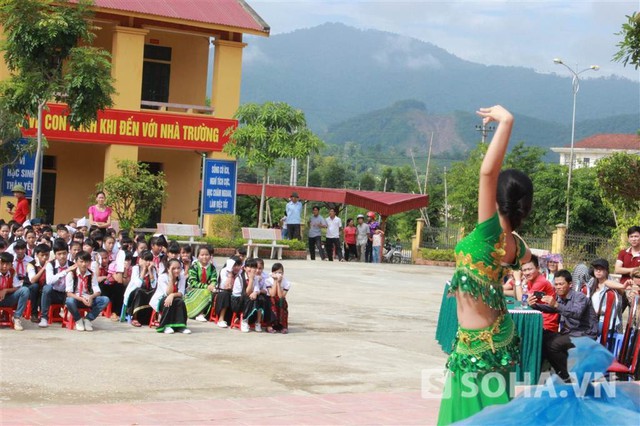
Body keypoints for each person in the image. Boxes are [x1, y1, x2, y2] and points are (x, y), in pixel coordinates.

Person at [437, 106, 533, 425]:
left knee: (468, 417)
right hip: (496, 339)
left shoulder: (489, 231)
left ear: (496, 199)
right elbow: (529, 259)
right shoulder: (515, 244)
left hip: (477, 347)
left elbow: (486, 173)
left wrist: (506, 122)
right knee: (493, 415)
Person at [528, 269, 598, 382]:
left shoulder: (580, 297)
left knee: (553, 345)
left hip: (584, 334)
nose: (558, 287)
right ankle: (559, 372)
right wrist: (534, 305)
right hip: (571, 332)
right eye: (556, 284)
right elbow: (552, 309)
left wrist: (556, 304)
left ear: (570, 284)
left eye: (561, 284)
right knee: (542, 336)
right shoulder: (560, 297)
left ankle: (568, 375)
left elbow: (576, 313)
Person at [65, 251, 110, 332]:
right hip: (77, 299)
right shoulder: (71, 274)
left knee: (105, 299)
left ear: (89, 262)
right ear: (76, 262)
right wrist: (81, 299)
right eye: (81, 261)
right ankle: (78, 320)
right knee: (69, 301)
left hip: (88, 298)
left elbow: (97, 291)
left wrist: (91, 297)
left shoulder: (92, 275)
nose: (83, 264)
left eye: (86, 261)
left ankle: (88, 319)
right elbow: (69, 293)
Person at [514, 255, 559, 333]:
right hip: (536, 319)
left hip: (545, 325)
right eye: (524, 270)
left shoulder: (541, 282)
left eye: (529, 269)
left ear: (538, 268)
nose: (527, 273)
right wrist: (517, 281)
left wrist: (517, 280)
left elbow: (522, 300)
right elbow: (518, 297)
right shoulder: (531, 280)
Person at [40, 240, 76, 328]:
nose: (62, 256)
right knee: (46, 288)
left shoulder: (73, 265)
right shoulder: (50, 265)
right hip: (53, 294)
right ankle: (44, 317)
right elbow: (49, 281)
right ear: (55, 254)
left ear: (68, 253)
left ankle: (76, 318)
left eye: (64, 253)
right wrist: (65, 271)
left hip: (67, 294)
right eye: (59, 254)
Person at [150, 257, 190, 334]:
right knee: (168, 301)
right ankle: (165, 325)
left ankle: (180, 326)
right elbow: (167, 293)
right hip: (161, 299)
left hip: (174, 298)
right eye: (173, 268)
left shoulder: (182, 277)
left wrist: (172, 295)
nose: (177, 270)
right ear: (168, 269)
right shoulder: (163, 277)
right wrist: (171, 279)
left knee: (180, 301)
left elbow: (181, 293)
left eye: (179, 268)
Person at [588, 258, 626, 335]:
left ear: (606, 271)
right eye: (596, 269)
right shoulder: (592, 282)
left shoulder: (610, 282)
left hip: (605, 321)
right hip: (592, 319)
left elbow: (621, 289)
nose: (598, 271)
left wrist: (624, 285)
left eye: (601, 269)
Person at [123, 250, 157, 327]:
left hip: (148, 291)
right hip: (134, 293)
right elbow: (138, 285)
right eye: (146, 260)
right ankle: (134, 317)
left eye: (150, 260)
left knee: (154, 292)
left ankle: (153, 318)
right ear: (140, 260)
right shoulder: (135, 268)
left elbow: (154, 285)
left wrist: (150, 272)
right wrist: (144, 270)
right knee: (139, 291)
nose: (148, 262)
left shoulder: (153, 269)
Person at [184, 245, 217, 322]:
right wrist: (206, 286)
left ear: (210, 256)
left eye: (206, 255)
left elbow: (214, 279)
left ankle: (209, 314)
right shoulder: (194, 267)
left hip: (208, 289)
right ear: (198, 256)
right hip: (193, 289)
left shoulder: (212, 268)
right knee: (205, 292)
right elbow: (192, 282)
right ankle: (199, 313)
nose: (204, 257)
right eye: (202, 255)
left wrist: (212, 285)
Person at [0, 252, 30, 331]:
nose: (4, 266)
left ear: (11, 265)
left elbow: (17, 287)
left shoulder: (12, 272)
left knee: (25, 290)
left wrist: (5, 290)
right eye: (2, 263)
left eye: (7, 264)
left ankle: (16, 317)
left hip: (8, 299)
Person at [213, 256, 242, 328]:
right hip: (221, 293)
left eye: (239, 265)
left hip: (234, 294)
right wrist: (230, 273)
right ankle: (221, 319)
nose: (237, 267)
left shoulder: (241, 273)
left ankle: (237, 318)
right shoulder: (224, 271)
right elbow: (227, 286)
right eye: (234, 265)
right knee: (226, 294)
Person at [26, 243, 50, 322]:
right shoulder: (31, 264)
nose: (45, 257)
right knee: (35, 286)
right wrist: (43, 268)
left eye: (47, 255)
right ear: (37, 255)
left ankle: (45, 315)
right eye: (42, 255)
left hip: (43, 288)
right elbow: (32, 280)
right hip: (31, 289)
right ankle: (34, 314)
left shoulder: (51, 264)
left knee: (47, 288)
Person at [265, 262, 291, 334]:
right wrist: (275, 281)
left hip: (280, 300)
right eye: (276, 272)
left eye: (280, 272)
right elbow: (272, 294)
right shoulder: (268, 281)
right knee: (272, 301)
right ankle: (270, 325)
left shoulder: (287, 283)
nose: (278, 274)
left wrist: (279, 283)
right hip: (269, 299)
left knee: (282, 301)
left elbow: (281, 296)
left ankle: (283, 325)